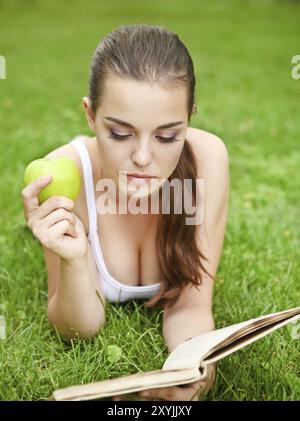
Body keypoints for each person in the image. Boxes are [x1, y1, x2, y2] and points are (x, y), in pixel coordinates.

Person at [21, 24, 229, 401]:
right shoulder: (66, 174)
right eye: (119, 133)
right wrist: (74, 259)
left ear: (189, 117)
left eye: (167, 136)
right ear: (90, 115)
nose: (143, 158)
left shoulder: (207, 161)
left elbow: (190, 306)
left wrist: (192, 375)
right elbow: (78, 329)